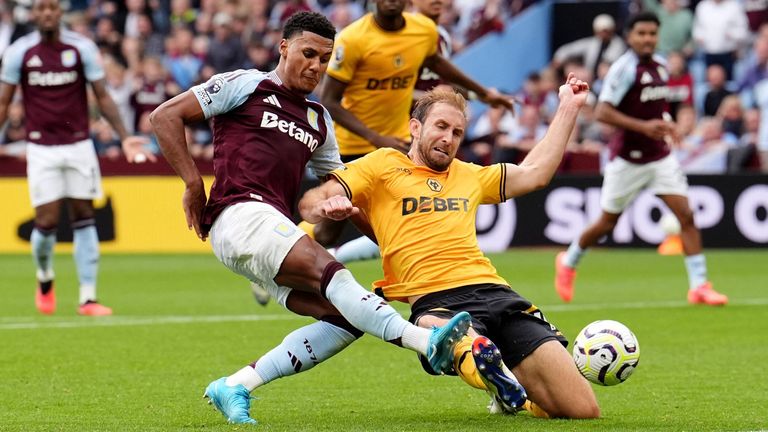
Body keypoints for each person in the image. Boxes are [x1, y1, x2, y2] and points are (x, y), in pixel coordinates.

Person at [149, 11, 471, 425]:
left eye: (324, 58)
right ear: (283, 48)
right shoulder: (246, 84)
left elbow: (345, 187)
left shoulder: (319, 120)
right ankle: (425, 342)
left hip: (265, 234)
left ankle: (237, 384)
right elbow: (164, 117)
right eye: (308, 54)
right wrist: (193, 185)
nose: (316, 66)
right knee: (335, 275)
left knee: (344, 319)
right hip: (241, 215)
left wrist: (383, 236)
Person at [298, 78, 599, 419]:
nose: (449, 138)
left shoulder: (469, 174)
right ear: (415, 127)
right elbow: (313, 200)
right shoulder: (382, 166)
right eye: (441, 126)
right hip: (436, 301)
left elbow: (535, 173)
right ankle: (488, 367)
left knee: (583, 410)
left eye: (457, 132)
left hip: (497, 293)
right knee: (449, 335)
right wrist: (327, 205)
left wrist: (568, 107)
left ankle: (506, 387)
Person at [307, 0, 512, 265]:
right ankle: (284, 247)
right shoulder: (352, 39)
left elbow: (436, 62)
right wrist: (374, 137)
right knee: (329, 230)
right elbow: (330, 101)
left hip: (398, 146)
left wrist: (484, 94)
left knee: (407, 224)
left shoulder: (425, 30)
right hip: (351, 146)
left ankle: (423, 284)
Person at [554, 12, 728, 306]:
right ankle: (568, 260)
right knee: (607, 223)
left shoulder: (661, 65)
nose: (647, 39)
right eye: (641, 33)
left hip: (659, 157)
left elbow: (655, 106)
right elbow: (603, 112)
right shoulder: (623, 69)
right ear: (630, 37)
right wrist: (644, 127)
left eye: (652, 33)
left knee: (686, 215)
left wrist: (666, 123)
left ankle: (699, 286)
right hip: (628, 159)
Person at [0, 0, 153, 316]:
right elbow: (4, 102)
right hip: (41, 147)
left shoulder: (81, 48)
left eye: (52, 8)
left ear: (60, 13)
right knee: (46, 222)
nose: (46, 14)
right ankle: (44, 276)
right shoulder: (19, 52)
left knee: (85, 215)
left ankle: (88, 297)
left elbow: (102, 96)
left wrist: (125, 138)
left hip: (80, 145)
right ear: (33, 14)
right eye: (41, 9)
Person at [552, 14, 626, 82]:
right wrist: (559, 57)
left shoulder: (618, 44)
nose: (603, 34)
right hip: (590, 77)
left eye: (606, 31)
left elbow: (608, 61)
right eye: (601, 31)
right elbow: (570, 49)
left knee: (603, 69)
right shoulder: (593, 42)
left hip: (611, 79)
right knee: (571, 69)